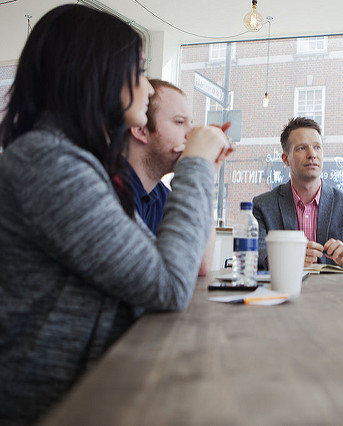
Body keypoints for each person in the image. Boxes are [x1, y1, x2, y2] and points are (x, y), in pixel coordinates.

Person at [0, 5, 232, 424]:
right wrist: (196, 165)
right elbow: (168, 283)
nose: (147, 88)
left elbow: (167, 267)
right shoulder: (49, 163)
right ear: (96, 74)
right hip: (53, 406)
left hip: (93, 388)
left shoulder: (79, 163)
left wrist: (200, 170)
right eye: (138, 71)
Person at [253, 117, 343, 270]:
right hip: (285, 284)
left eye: (317, 147)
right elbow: (255, 257)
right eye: (302, 148)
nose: (312, 154)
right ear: (285, 159)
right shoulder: (263, 206)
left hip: (332, 286)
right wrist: (287, 259)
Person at [126, 79, 217, 275]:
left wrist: (205, 173)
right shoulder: (110, 190)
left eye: (191, 123)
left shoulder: (161, 195)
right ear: (141, 130)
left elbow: (200, 264)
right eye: (179, 122)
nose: (191, 135)